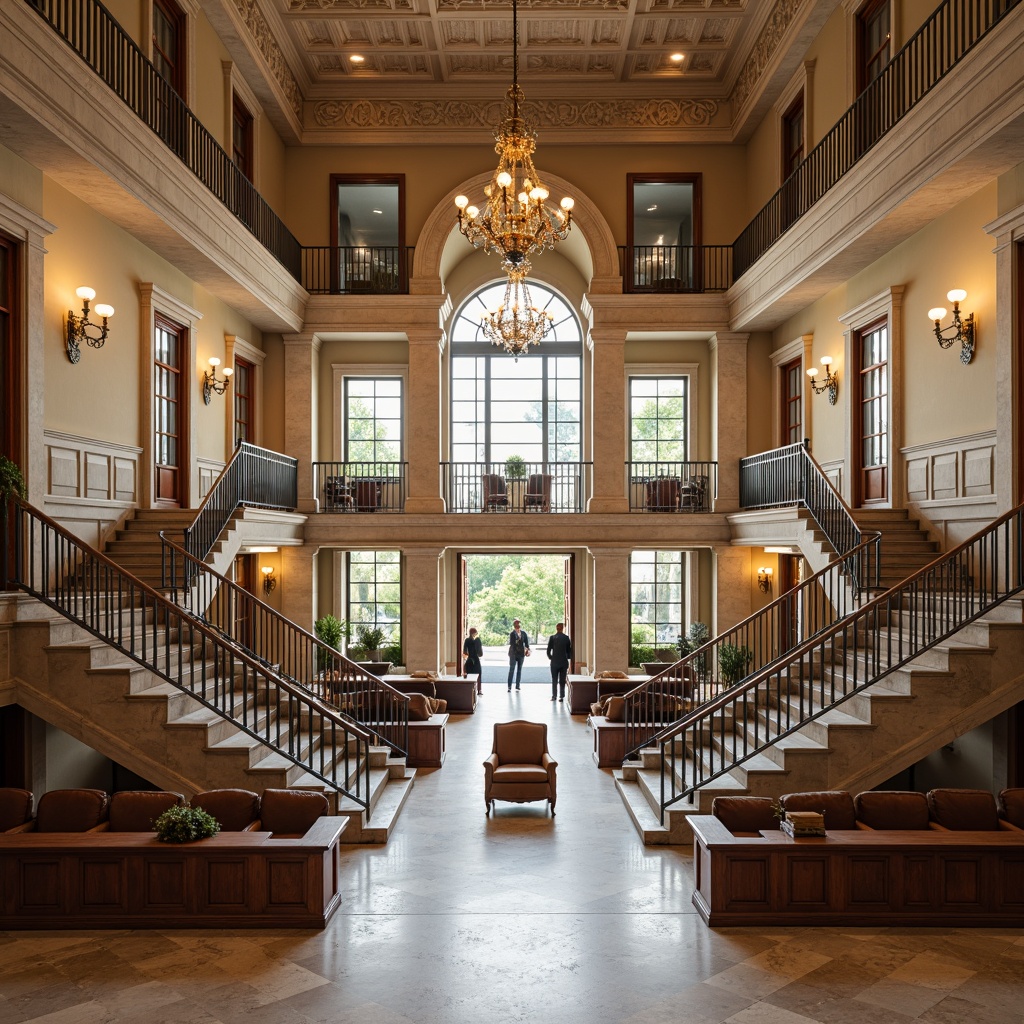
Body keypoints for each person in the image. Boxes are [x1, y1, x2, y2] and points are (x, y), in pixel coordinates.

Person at [546, 622, 572, 702]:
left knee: (554, 679)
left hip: (554, 662)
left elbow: (548, 650)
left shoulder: (552, 638)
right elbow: (569, 651)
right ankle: (562, 696)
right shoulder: (566, 638)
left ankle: (554, 696)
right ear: (563, 628)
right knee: (562, 680)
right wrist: (567, 658)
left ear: (556, 628)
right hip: (563, 662)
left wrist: (551, 657)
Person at [507, 619, 531, 691]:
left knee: (519, 670)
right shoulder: (512, 634)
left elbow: (526, 643)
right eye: (516, 626)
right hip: (513, 654)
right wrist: (518, 638)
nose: (517, 627)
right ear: (514, 626)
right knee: (512, 669)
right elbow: (512, 643)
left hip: (521, 654)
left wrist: (528, 649)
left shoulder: (523, 633)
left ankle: (517, 685)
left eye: (518, 625)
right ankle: (509, 686)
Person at [462, 627, 483, 695]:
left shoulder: (467, 640)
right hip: (476, 660)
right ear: (474, 633)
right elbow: (480, 654)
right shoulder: (477, 640)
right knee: (478, 675)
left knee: (469, 675)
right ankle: (479, 690)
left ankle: (470, 690)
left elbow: (465, 652)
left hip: (470, 660)